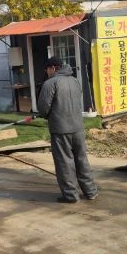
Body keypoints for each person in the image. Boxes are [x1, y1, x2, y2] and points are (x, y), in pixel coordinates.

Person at [37, 57, 98, 203]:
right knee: (82, 160)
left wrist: (46, 114)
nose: (47, 72)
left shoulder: (50, 83)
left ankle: (71, 195)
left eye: (47, 69)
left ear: (52, 68)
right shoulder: (74, 81)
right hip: (78, 128)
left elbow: (43, 109)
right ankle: (91, 192)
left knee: (65, 162)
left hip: (60, 129)